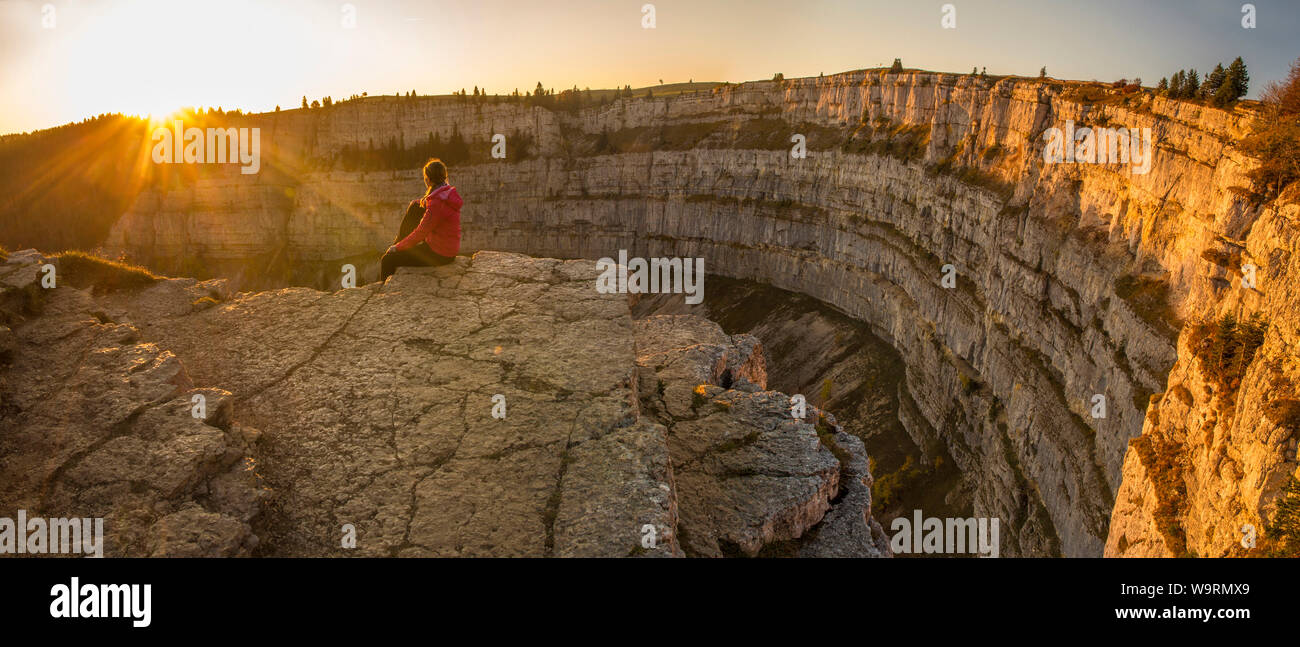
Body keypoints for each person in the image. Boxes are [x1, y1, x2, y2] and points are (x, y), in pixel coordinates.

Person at [380, 158, 463, 280]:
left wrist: (397, 248)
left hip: (440, 254)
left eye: (425, 177)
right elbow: (431, 208)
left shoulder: (436, 204)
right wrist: (418, 204)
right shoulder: (447, 192)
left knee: (388, 260)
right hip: (447, 247)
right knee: (415, 206)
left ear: (428, 179)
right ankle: (398, 244)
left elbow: (420, 233)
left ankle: (384, 290)